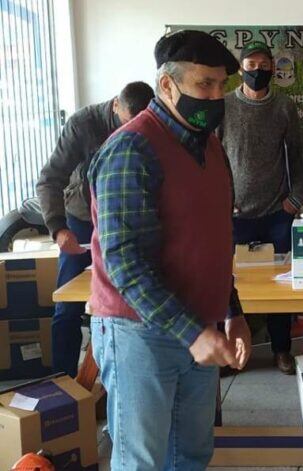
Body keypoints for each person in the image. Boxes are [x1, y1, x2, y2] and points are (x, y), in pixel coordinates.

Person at [87, 30, 252, 471]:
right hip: (139, 334)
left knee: (190, 454)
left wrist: (232, 312)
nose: (215, 96)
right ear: (166, 85)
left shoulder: (212, 147)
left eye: (221, 86)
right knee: (143, 460)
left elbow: (214, 239)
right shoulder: (131, 149)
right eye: (204, 85)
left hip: (200, 326)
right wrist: (194, 333)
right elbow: (126, 263)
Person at [36, 81, 154, 377]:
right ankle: (62, 383)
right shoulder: (83, 124)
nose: (135, 129)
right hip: (82, 220)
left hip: (126, 220)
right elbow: (50, 178)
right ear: (116, 105)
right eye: (129, 122)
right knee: (68, 305)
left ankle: (131, 375)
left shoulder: (153, 124)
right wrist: (58, 229)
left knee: (133, 300)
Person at [218, 40, 303, 375]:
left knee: (279, 287)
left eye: (264, 65)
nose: (258, 71)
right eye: (251, 65)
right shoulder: (224, 106)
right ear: (241, 68)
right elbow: (210, 154)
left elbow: (297, 155)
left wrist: (295, 199)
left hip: (276, 213)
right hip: (233, 215)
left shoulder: (284, 107)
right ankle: (230, 352)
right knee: (226, 285)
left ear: (273, 67)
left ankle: (282, 350)